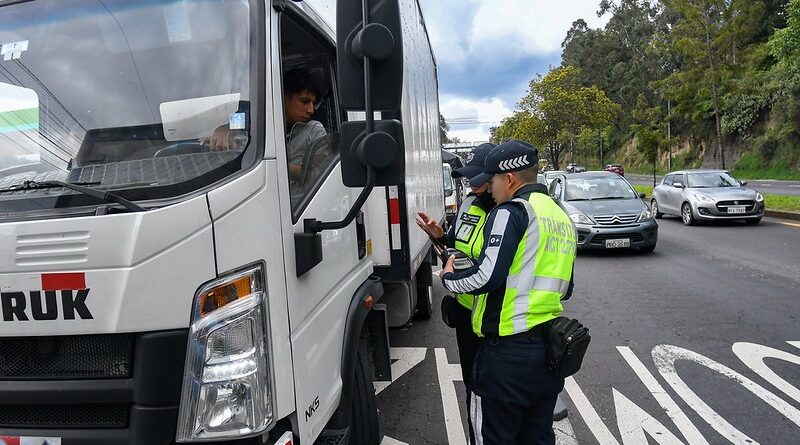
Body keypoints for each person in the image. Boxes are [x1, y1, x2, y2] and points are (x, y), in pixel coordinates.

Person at [440, 140, 577, 445]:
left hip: (506, 353)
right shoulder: (560, 216)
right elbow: (565, 288)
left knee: (494, 436)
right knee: (538, 436)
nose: (489, 188)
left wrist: (449, 278)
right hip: (548, 353)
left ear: (510, 179)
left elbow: (486, 276)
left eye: (493, 181)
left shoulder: (511, 211)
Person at [417, 142, 496, 445]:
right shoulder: (468, 205)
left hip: (493, 318)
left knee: (491, 393)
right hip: (466, 313)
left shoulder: (507, 214)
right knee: (472, 389)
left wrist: (451, 278)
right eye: (470, 178)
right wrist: (439, 236)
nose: (472, 184)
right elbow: (454, 248)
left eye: (479, 179)